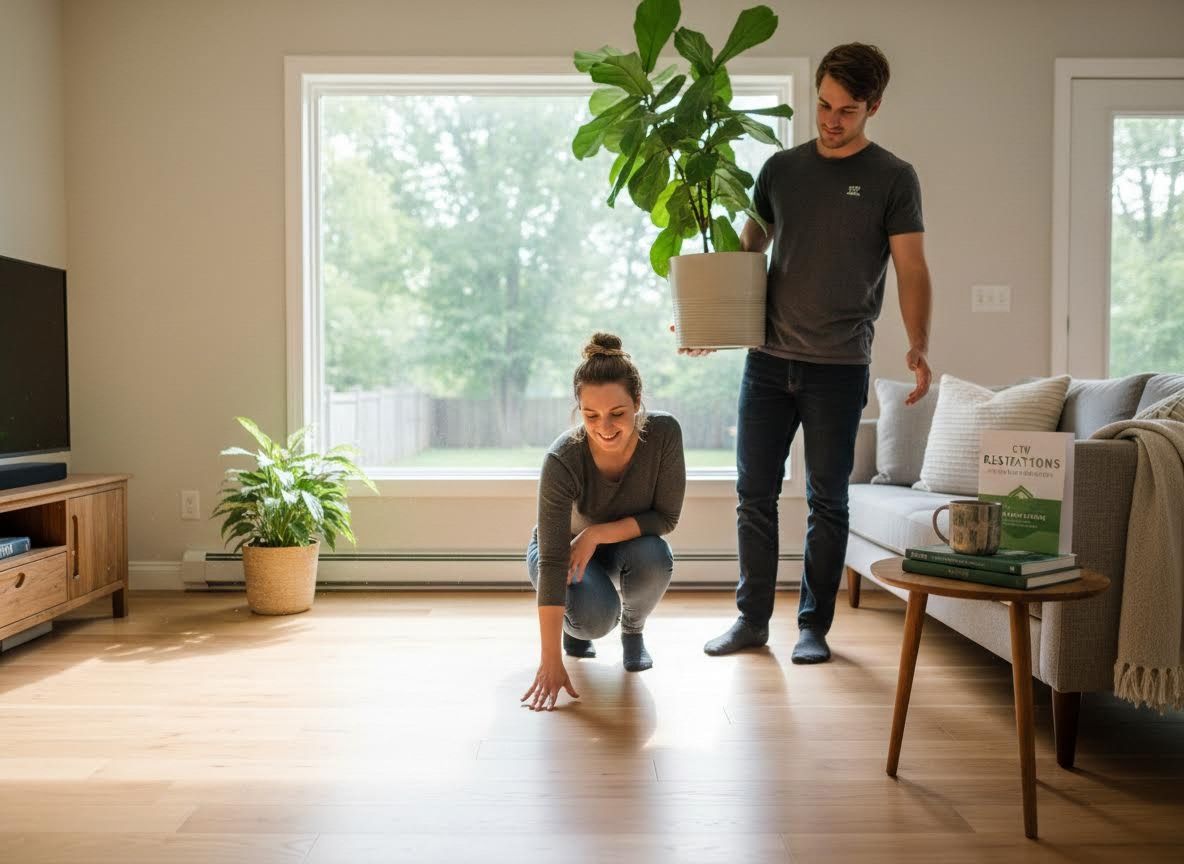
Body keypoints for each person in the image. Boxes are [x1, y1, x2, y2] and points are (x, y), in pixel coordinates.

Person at [699, 43, 933, 663]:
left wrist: (918, 344)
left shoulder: (892, 177)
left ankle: (813, 628)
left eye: (846, 110)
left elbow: (911, 269)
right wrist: (708, 321)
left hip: (839, 367)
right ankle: (751, 621)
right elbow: (749, 254)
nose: (830, 120)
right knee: (754, 492)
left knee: (828, 499)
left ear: (873, 107)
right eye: (824, 105)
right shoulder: (781, 169)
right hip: (769, 363)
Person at [521, 332, 686, 711]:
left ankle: (633, 631)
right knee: (594, 620)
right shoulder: (562, 459)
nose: (605, 427)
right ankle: (575, 634)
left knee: (655, 556)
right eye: (590, 415)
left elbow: (666, 517)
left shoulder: (663, 435)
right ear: (578, 409)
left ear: (638, 403)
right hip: (562, 553)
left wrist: (595, 534)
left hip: (621, 547)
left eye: (618, 414)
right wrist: (550, 661)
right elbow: (550, 561)